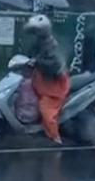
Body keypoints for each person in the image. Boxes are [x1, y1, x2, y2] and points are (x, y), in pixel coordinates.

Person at [22, 14, 70, 144]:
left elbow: (55, 65)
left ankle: (55, 137)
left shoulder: (51, 45)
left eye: (36, 31)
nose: (35, 33)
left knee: (46, 110)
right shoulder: (38, 43)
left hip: (54, 85)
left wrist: (37, 62)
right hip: (41, 81)